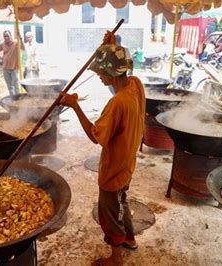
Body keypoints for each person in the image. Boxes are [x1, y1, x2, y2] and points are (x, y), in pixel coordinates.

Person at [60, 32, 145, 266]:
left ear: (111, 72)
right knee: (122, 202)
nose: (98, 75)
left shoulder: (118, 103)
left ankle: (116, 259)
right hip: (127, 163)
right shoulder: (134, 85)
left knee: (109, 212)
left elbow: (95, 136)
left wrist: (74, 105)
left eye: (101, 71)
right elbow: (119, 81)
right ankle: (130, 240)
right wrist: (113, 47)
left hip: (114, 169)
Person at [0, 30, 24, 96]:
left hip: (14, 67)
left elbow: (23, 48)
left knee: (16, 84)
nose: (6, 37)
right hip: (5, 68)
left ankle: (18, 98)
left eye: (7, 36)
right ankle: (13, 98)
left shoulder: (16, 43)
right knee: (9, 86)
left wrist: (20, 38)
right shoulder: (2, 44)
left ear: (10, 36)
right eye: (4, 36)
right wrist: (1, 58)